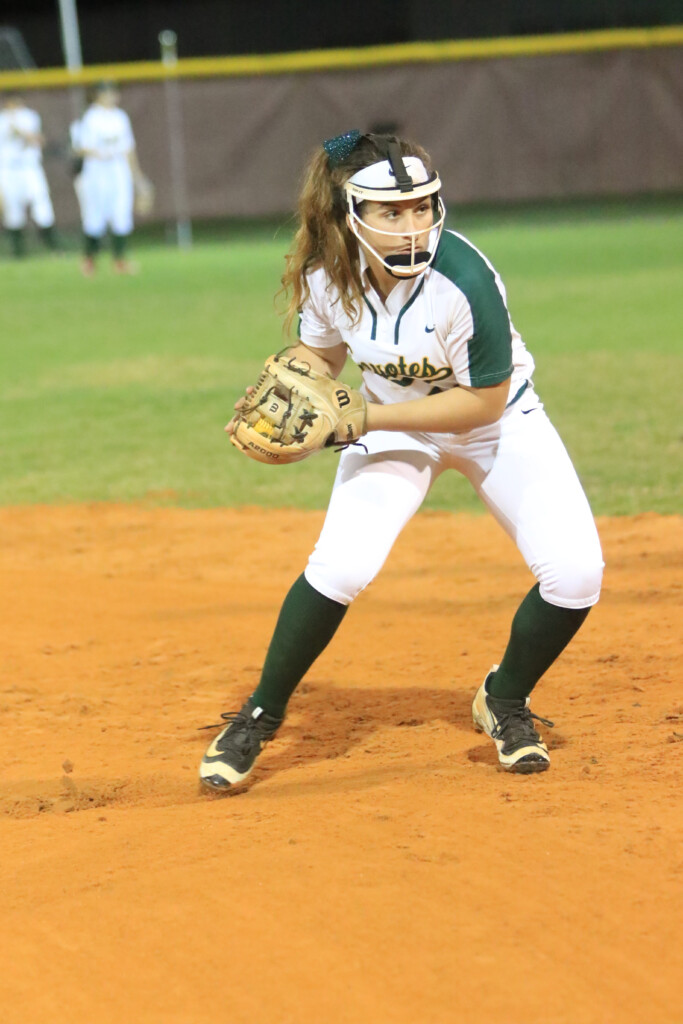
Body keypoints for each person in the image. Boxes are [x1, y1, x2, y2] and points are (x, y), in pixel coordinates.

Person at [199, 129, 604, 791]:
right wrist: (291, 382)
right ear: (348, 213)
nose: (413, 224)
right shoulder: (326, 272)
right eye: (392, 212)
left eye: (422, 206)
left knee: (576, 575)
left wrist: (362, 416)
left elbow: (479, 403)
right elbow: (322, 355)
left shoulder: (463, 279)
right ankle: (258, 717)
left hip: (494, 423)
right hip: (393, 424)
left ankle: (501, 699)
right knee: (341, 565)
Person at [73, 81, 149, 276]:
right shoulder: (90, 117)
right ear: (97, 95)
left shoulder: (120, 117)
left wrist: (138, 178)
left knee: (121, 213)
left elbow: (129, 149)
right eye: (107, 93)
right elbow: (80, 148)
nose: (112, 96)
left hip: (118, 169)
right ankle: (89, 260)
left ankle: (120, 260)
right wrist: (100, 151)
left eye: (113, 92)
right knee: (95, 216)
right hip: (97, 170)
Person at [0, 91, 59, 258]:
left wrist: (18, 130)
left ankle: (53, 246)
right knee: (12, 211)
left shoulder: (29, 116)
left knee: (42, 205)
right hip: (8, 169)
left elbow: (37, 140)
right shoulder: (1, 119)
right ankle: (18, 251)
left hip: (29, 167)